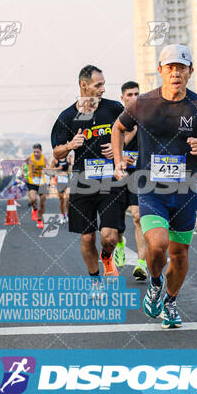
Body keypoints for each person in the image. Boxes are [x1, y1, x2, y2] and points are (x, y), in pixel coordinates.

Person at [112, 44, 197, 328]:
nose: (176, 73)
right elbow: (117, 128)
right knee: (156, 245)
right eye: (170, 67)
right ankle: (155, 284)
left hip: (184, 193)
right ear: (160, 71)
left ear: (190, 72)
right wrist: (118, 161)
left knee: (180, 254)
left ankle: (170, 302)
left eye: (181, 68)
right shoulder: (143, 103)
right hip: (150, 190)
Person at [51, 65, 125, 277]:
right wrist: (69, 145)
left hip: (111, 182)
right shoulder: (67, 116)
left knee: (110, 237)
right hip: (83, 183)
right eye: (98, 85)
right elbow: (57, 153)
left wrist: (119, 145)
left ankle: (107, 256)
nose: (103, 89)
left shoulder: (113, 109)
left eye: (103, 84)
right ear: (84, 86)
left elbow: (134, 130)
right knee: (87, 238)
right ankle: (94, 279)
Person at [114, 81, 148, 281]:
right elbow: (111, 146)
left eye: (137, 94)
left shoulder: (146, 118)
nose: (134, 97)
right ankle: (120, 243)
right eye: (129, 94)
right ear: (122, 98)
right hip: (118, 173)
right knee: (116, 223)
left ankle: (141, 264)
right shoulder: (116, 119)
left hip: (139, 174)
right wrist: (120, 157)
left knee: (137, 216)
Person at [25, 144, 50, 228]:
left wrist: (46, 170)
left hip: (42, 182)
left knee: (42, 201)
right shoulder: (29, 157)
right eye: (34, 151)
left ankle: (39, 220)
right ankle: (34, 208)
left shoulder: (44, 158)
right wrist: (24, 171)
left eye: (37, 152)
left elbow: (48, 168)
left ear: (41, 151)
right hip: (32, 182)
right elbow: (23, 164)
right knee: (33, 199)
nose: (36, 153)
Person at [50, 153, 73, 219]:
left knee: (68, 197)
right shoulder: (55, 160)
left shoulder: (68, 158)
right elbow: (50, 169)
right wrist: (57, 168)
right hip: (60, 181)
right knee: (61, 199)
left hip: (67, 179)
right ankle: (63, 214)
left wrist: (70, 164)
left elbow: (70, 166)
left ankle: (68, 213)